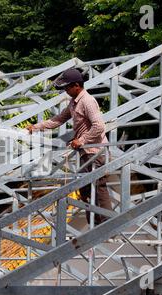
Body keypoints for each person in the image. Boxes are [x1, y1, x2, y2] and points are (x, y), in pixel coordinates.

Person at [27, 68, 112, 225]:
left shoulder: (87, 101)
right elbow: (58, 119)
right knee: (85, 189)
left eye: (67, 87)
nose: (65, 90)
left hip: (95, 151)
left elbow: (99, 126)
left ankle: (107, 224)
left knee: (99, 187)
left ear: (77, 86)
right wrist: (36, 127)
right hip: (86, 153)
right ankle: (95, 224)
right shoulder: (74, 103)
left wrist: (81, 140)